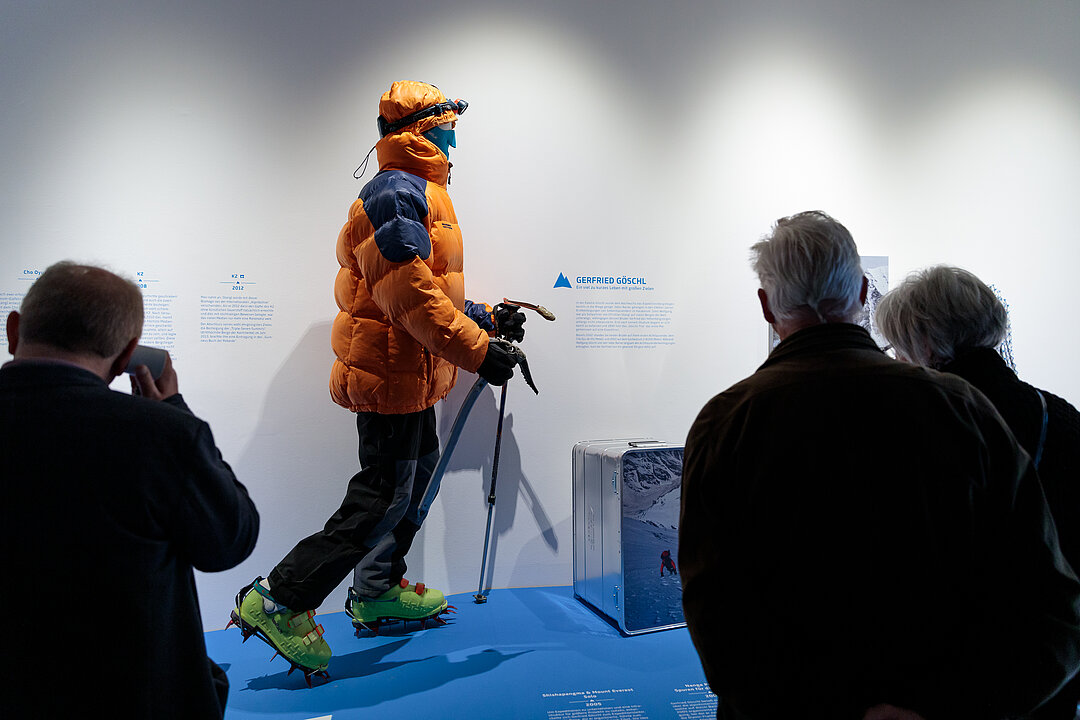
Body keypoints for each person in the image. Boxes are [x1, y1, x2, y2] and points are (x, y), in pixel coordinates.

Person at [679, 211, 1080, 720]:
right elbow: (1051, 601)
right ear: (865, 293)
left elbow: (717, 613)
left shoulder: (726, 423)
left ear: (765, 305)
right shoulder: (961, 410)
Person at [230, 80, 525, 680]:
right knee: (380, 496)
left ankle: (375, 590)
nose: (453, 136)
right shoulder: (394, 193)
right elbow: (406, 294)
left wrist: (485, 319)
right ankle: (279, 599)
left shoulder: (424, 191)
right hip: (390, 376)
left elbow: (427, 287)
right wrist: (475, 350)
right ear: (421, 128)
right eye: (446, 124)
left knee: (412, 481)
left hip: (411, 374)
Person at [0, 262, 259, 718]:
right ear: (126, 359)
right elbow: (229, 542)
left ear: (14, 329)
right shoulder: (158, 436)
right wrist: (175, 413)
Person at [877, 265, 1080, 720]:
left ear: (925, 344)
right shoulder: (1059, 415)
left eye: (898, 347)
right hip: (1046, 676)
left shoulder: (919, 423)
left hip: (939, 685)